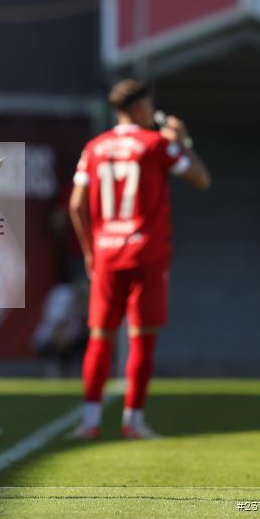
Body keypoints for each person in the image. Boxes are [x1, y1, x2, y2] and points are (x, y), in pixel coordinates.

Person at [67, 79, 210, 440]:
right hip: (146, 253)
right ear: (141, 107)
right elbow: (200, 179)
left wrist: (89, 250)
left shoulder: (95, 147)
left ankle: (90, 421)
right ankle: (133, 420)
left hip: (106, 253)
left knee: (100, 337)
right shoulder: (156, 144)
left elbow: (76, 204)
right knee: (142, 338)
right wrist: (183, 141)